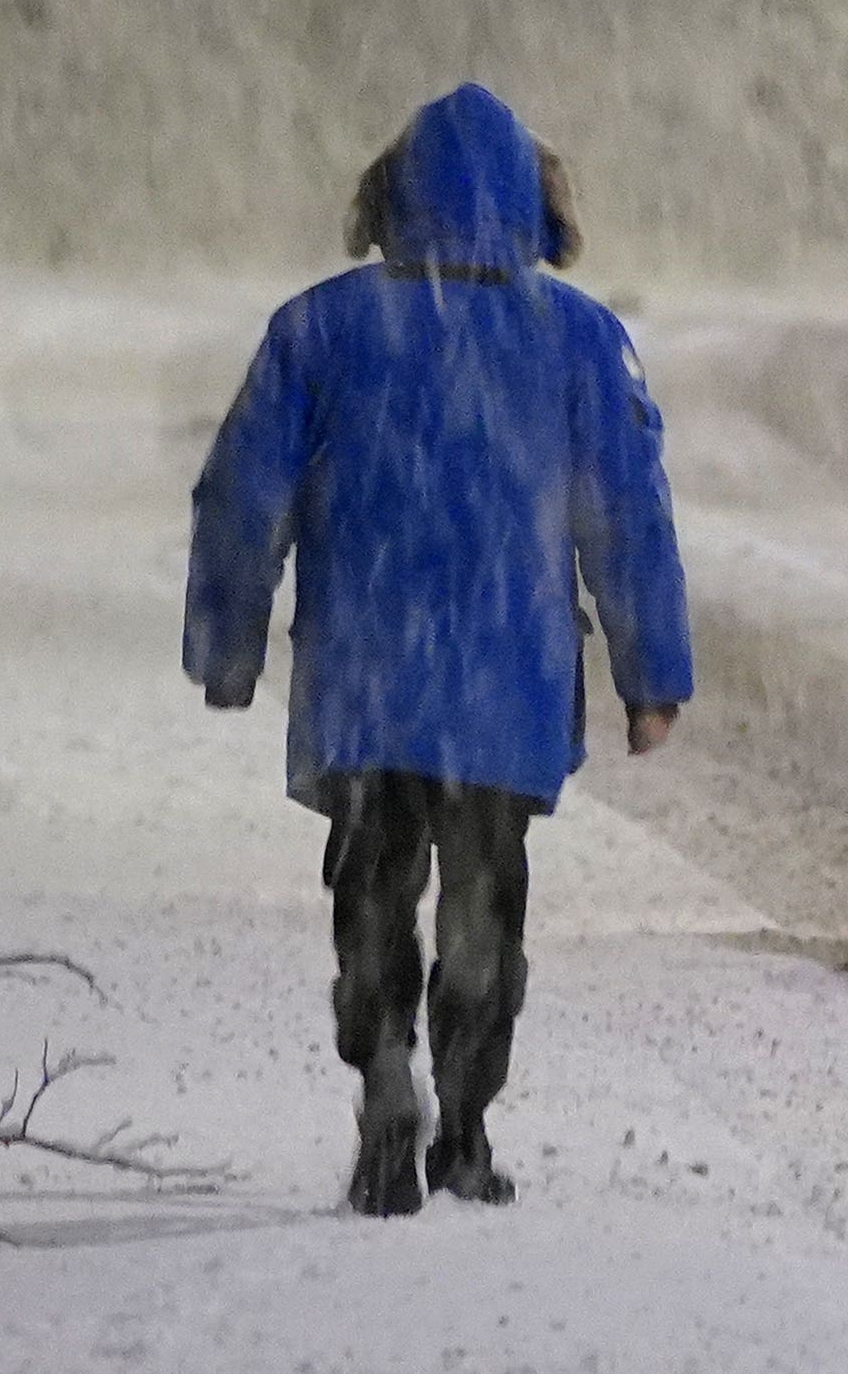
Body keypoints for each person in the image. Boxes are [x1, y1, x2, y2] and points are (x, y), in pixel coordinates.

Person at [183, 83, 693, 1217]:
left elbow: (239, 496)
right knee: (484, 908)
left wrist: (228, 644)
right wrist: (651, 675)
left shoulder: (320, 328)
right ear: (533, 207)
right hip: (503, 682)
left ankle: (382, 1071)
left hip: (368, 669)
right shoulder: (578, 340)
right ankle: (462, 1129)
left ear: (392, 197)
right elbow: (629, 512)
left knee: (371, 882)